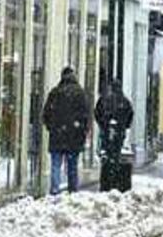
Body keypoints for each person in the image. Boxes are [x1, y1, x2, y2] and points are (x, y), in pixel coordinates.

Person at [42, 67, 90, 195]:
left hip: (57, 135)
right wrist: (81, 131)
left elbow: (46, 113)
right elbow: (85, 116)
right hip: (73, 136)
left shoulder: (55, 92)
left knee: (55, 165)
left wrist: (52, 127)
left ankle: (55, 190)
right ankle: (72, 190)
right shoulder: (80, 93)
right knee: (72, 165)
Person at [95, 80, 133, 192]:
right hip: (119, 131)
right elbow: (130, 114)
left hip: (107, 131)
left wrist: (102, 124)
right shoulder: (124, 100)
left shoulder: (104, 99)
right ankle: (116, 179)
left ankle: (106, 180)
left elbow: (97, 112)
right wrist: (124, 126)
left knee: (106, 153)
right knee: (116, 153)